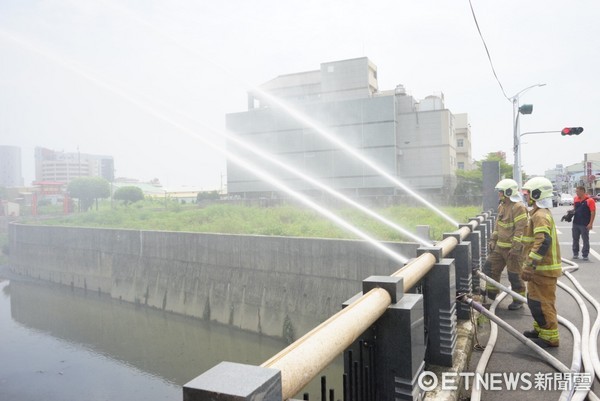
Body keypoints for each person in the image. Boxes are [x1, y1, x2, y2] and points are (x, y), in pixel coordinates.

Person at [520, 177, 562, 348]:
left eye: (527, 194)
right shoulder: (537, 213)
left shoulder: (541, 216)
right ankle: (541, 330)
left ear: (537, 194)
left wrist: (530, 265)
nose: (525, 197)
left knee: (543, 304)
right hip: (539, 270)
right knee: (535, 302)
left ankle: (550, 337)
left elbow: (542, 242)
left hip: (542, 270)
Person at [485, 179, 528, 310]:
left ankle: (518, 300)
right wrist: (493, 240)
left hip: (512, 249)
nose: (499, 194)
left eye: (501, 191)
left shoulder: (518, 207)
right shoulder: (502, 206)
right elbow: (498, 225)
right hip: (500, 247)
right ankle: (491, 295)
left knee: (514, 275)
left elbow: (520, 229)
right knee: (490, 268)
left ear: (508, 192)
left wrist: (515, 248)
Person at [571, 186, 596, 261]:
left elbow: (593, 212)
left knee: (585, 239)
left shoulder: (590, 200)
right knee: (575, 239)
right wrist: (570, 213)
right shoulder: (575, 199)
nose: (576, 193)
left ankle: (585, 254)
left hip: (584, 224)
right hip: (575, 223)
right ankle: (575, 253)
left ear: (582, 191)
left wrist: (590, 223)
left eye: (577, 191)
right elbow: (575, 209)